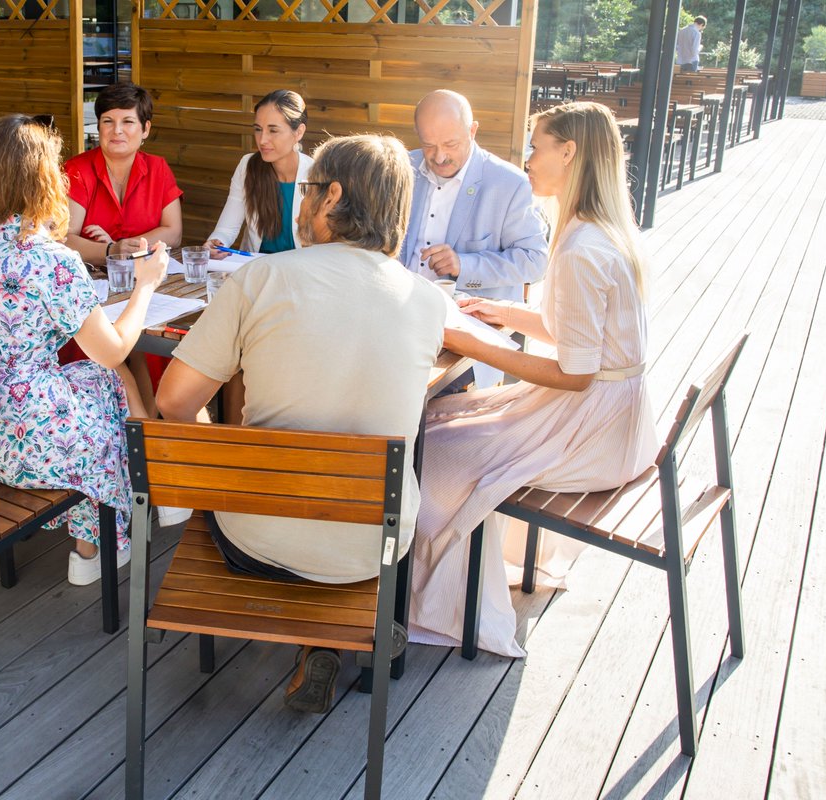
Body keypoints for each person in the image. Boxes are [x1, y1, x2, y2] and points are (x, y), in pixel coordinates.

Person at [156, 134, 446, 713]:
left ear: (332, 195)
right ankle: (331, 638)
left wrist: (226, 457)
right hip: (375, 548)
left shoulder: (260, 279)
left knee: (267, 505)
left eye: (309, 190)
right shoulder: (429, 301)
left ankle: (319, 637)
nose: (301, 203)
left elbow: (172, 403)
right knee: (340, 500)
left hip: (255, 540)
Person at [408, 101, 658, 657]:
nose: (527, 159)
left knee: (435, 455)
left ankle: (451, 609)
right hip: (614, 410)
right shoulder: (596, 228)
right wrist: (501, 315)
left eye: (536, 147)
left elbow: (576, 373)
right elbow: (581, 336)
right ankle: (445, 588)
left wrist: (465, 341)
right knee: (442, 416)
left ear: (568, 153)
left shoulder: (583, 246)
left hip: (595, 426)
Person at [0, 114, 169, 586]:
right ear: (44, 179)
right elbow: (111, 350)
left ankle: (123, 521)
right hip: (32, 439)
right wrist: (145, 285)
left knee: (102, 382)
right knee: (111, 381)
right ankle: (99, 543)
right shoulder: (49, 259)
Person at [399, 90, 548, 390]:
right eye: (428, 145)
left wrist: (464, 265)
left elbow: (535, 262)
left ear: (472, 130)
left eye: (450, 144)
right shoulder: (402, 167)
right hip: (402, 323)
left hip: (467, 343)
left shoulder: (509, 183)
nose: (439, 156)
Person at [63, 83, 183, 265]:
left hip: (146, 271)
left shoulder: (158, 167)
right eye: (108, 121)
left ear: (146, 129)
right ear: (98, 127)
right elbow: (63, 238)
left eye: (128, 121)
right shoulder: (76, 170)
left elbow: (174, 233)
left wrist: (125, 248)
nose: (117, 130)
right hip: (91, 277)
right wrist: (111, 250)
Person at [206, 90, 313, 256]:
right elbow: (226, 230)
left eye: (273, 130)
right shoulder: (248, 166)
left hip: (300, 273)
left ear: (299, 132)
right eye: (258, 129)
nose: (262, 140)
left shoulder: (317, 174)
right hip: (256, 270)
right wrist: (215, 243)